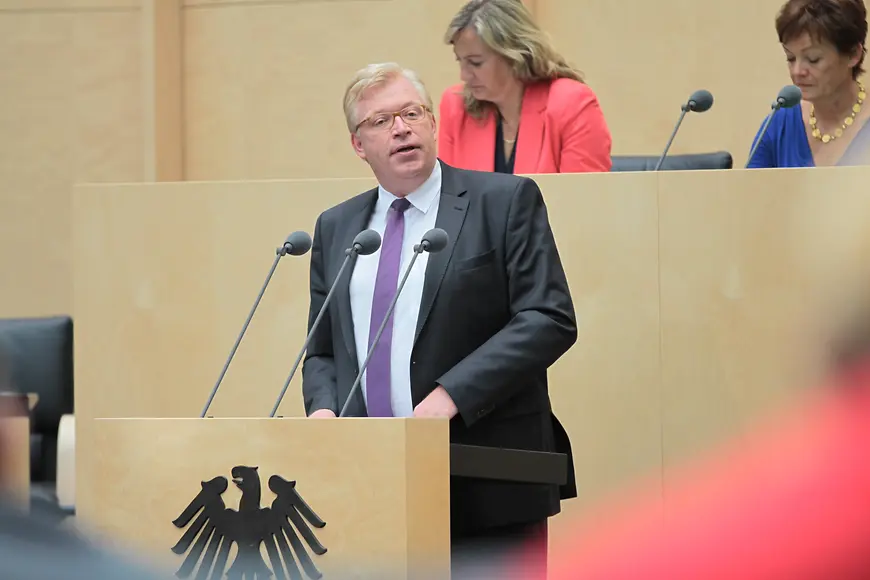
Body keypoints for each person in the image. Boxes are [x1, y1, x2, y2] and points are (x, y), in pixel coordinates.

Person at [301, 61, 578, 578]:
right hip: (374, 484)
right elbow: (321, 349)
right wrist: (323, 412)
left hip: (485, 472)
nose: (401, 128)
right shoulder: (337, 227)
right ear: (359, 145)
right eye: (381, 121)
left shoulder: (504, 202)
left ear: (432, 124)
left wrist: (448, 398)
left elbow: (548, 318)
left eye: (412, 113)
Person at [437, 0, 612, 174]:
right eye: (460, 61)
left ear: (515, 55)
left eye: (476, 63)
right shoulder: (456, 107)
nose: (464, 75)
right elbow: (448, 196)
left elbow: (582, 197)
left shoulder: (571, 104)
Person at [747, 0, 870, 168]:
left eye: (813, 59)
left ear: (853, 54)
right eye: (790, 58)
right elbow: (749, 192)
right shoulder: (779, 124)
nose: (797, 71)